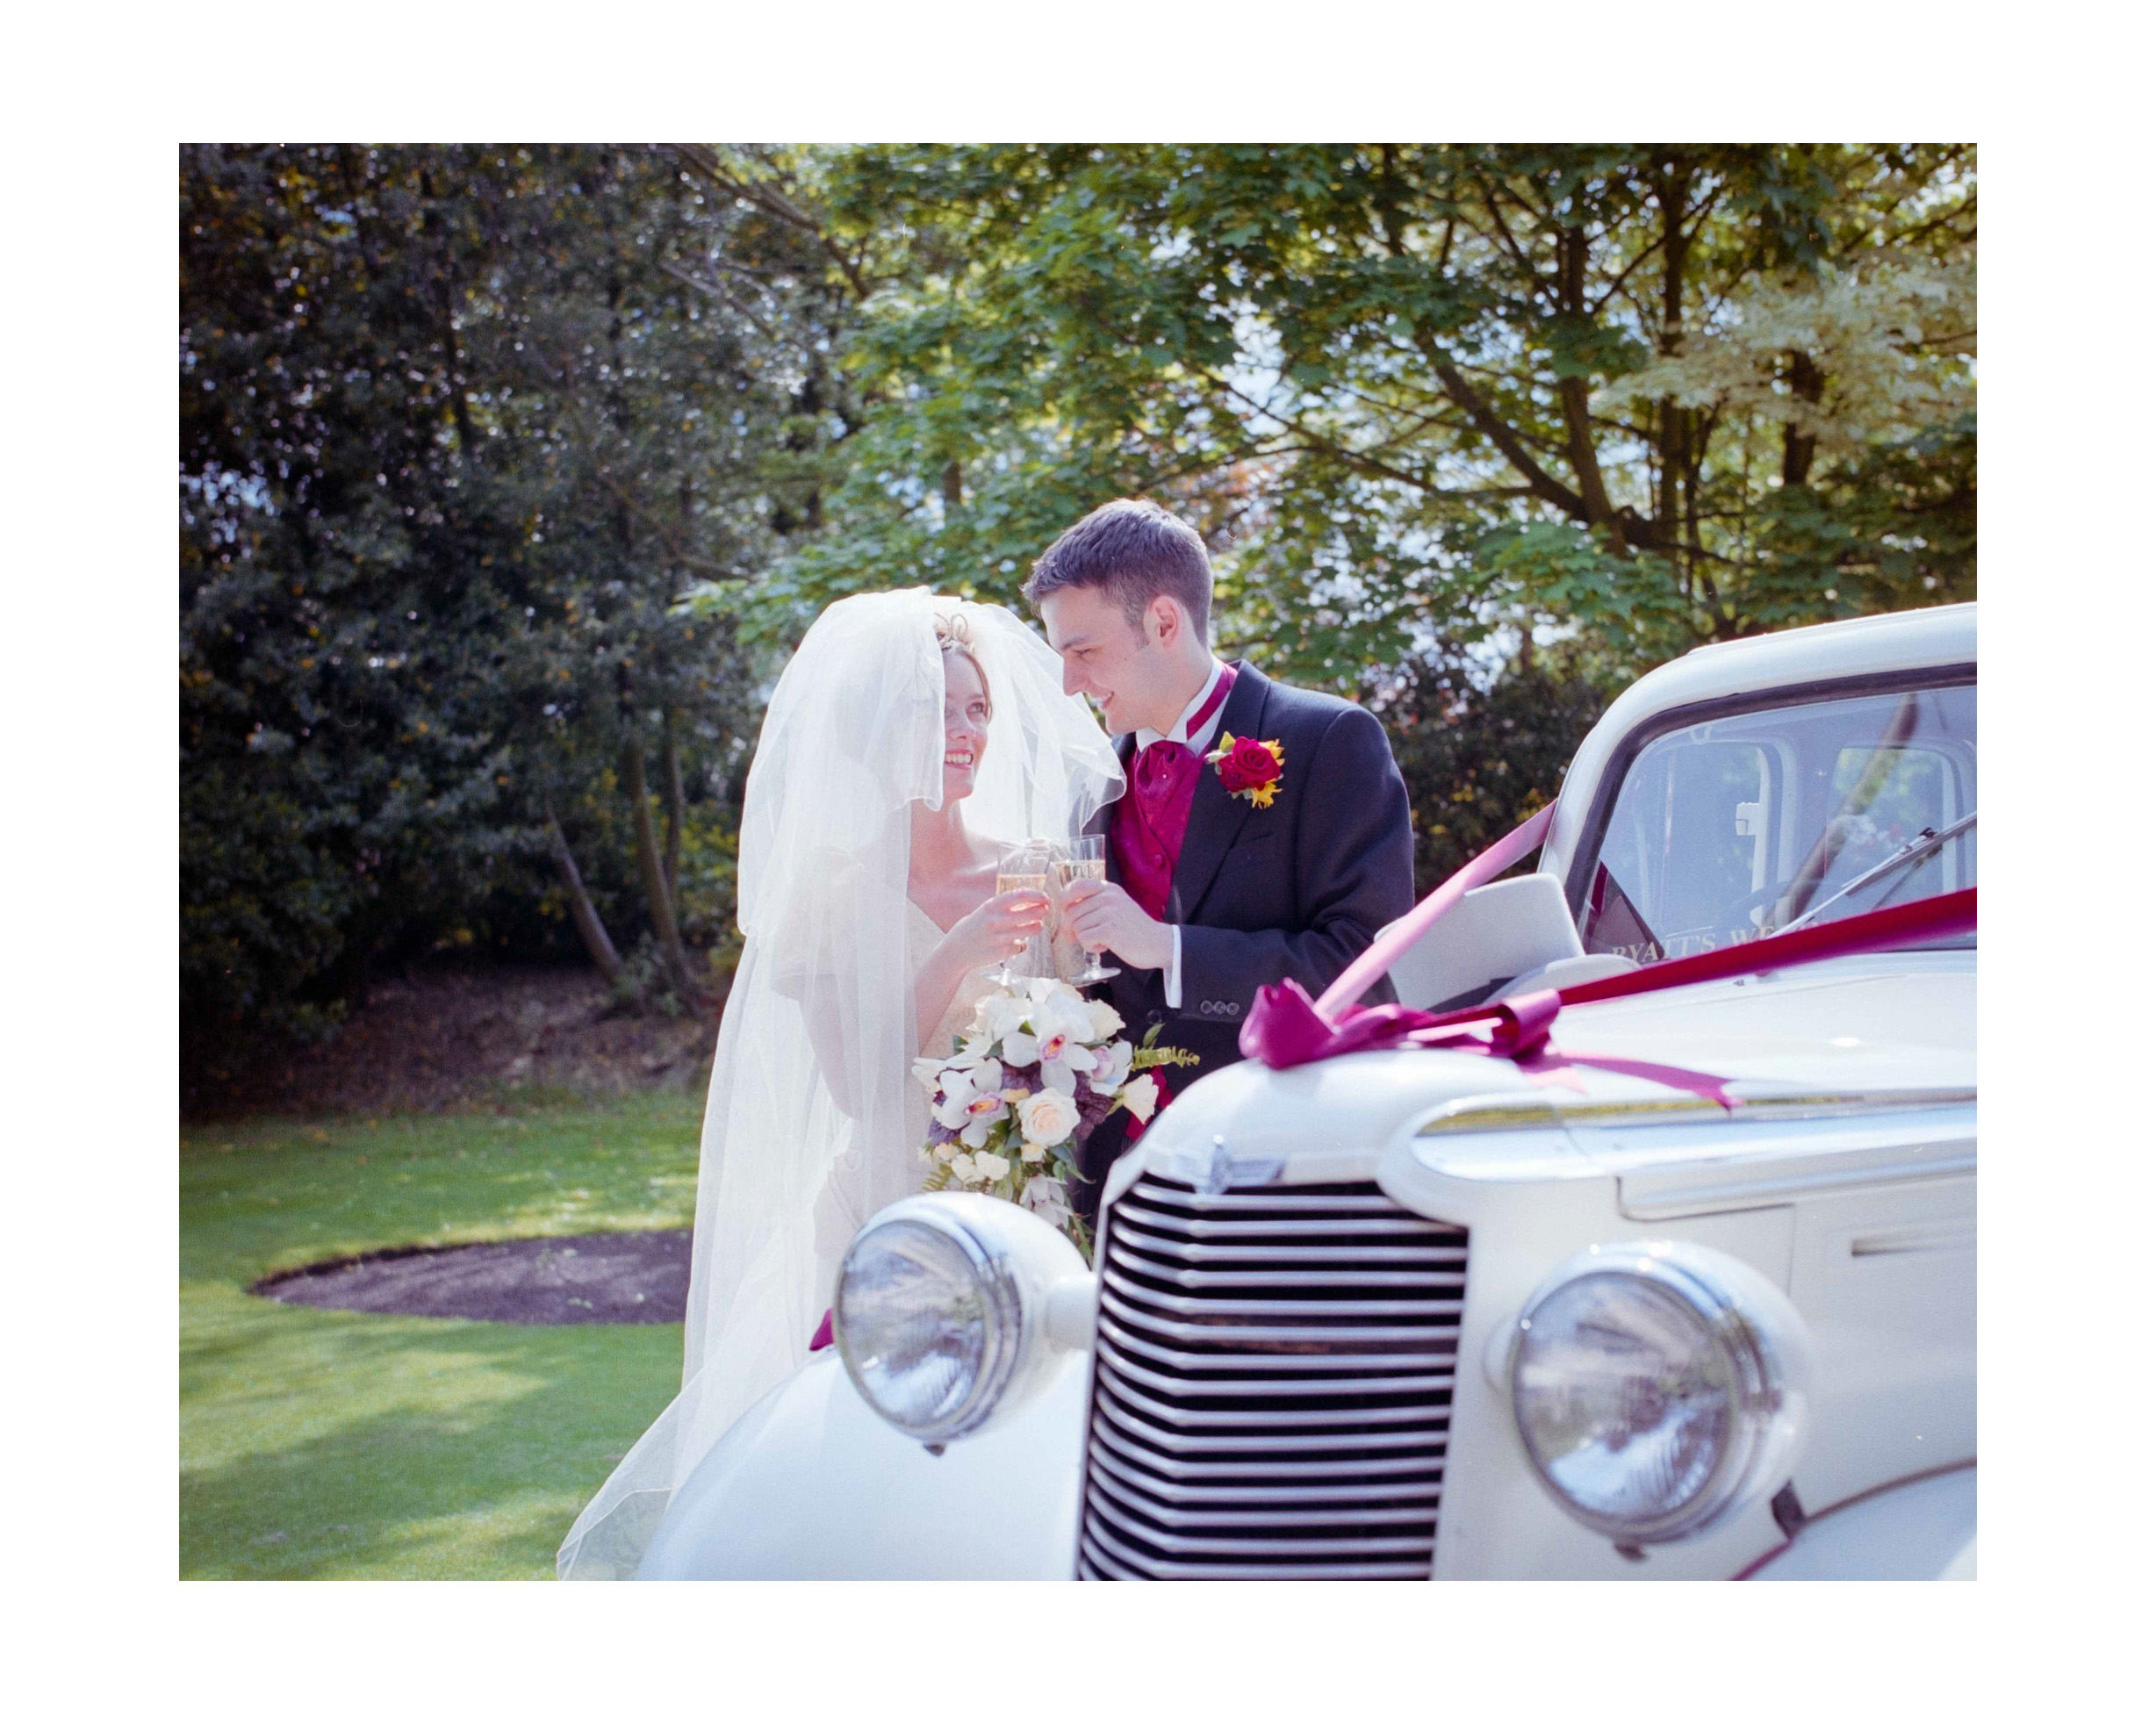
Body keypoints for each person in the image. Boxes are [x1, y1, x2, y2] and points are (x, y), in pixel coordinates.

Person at [557, 588, 1123, 1580]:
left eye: (976, 709)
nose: (963, 735)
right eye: (936, 711)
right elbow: (858, 1090)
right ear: (876, 733)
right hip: (879, 1218)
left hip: (1025, 1220)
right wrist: (950, 951)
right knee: (865, 1492)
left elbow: (1085, 1043)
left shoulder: (1034, 869)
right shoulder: (827, 894)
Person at [1031, 499, 1415, 1215]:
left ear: (1164, 622)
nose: (1069, 685)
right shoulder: (1091, 786)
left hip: (1289, 1169)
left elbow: (1367, 969)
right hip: (1121, 1192)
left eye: (1083, 652)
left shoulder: (1330, 740)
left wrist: (1170, 949)